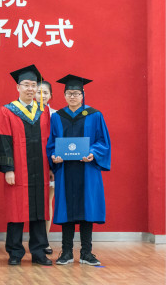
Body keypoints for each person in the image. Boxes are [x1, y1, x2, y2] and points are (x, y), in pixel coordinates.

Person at [0, 65, 52, 266]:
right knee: (16, 211)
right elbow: (3, 141)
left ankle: (39, 252)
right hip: (18, 170)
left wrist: (51, 167)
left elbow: (50, 140)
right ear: (18, 87)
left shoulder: (44, 111)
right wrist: (8, 169)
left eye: (34, 85)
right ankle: (15, 252)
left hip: (40, 169)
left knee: (39, 212)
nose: (30, 89)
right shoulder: (7, 111)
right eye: (26, 85)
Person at [46, 74, 111, 266]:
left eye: (76, 93)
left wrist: (93, 153)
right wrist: (54, 156)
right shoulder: (57, 117)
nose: (72, 96)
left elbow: (103, 142)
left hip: (87, 169)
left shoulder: (95, 115)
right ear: (64, 95)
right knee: (67, 211)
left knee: (86, 209)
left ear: (82, 95)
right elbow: (51, 143)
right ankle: (66, 252)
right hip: (65, 170)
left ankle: (86, 253)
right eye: (69, 93)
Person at [35, 80, 56, 255]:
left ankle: (45, 241)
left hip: (49, 164)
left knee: (47, 202)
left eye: (45, 92)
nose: (42, 96)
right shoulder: (25, 113)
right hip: (30, 163)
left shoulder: (56, 115)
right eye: (38, 92)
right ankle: (33, 240)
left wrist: (51, 166)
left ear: (51, 95)